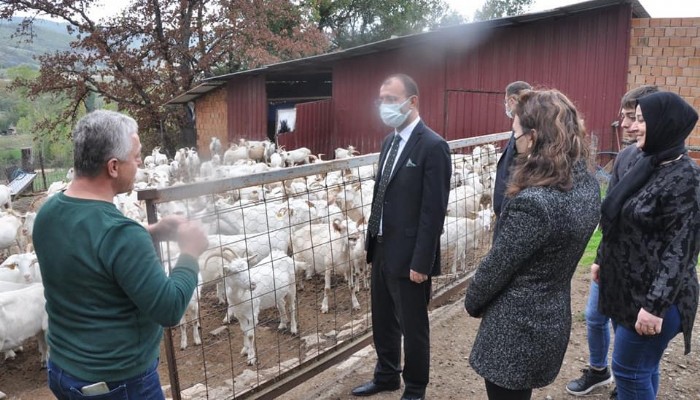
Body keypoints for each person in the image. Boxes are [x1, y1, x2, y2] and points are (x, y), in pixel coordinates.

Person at [33, 110, 209, 399]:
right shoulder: (121, 234)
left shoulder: (49, 213)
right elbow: (169, 309)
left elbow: (90, 251)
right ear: (113, 166)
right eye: (136, 156)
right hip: (118, 384)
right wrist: (190, 252)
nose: (140, 162)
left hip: (64, 370)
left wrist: (148, 232)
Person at [464, 89, 601, 400]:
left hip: (515, 329)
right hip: (551, 315)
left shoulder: (535, 204)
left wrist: (472, 300)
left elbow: (498, 265)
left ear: (535, 136)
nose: (515, 142)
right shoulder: (587, 185)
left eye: (517, 134)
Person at [351, 74, 451, 400]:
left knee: (413, 326)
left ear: (412, 102)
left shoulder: (433, 146)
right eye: (382, 99)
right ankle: (386, 375)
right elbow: (384, 192)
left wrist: (422, 260)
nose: (385, 105)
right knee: (382, 320)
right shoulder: (389, 142)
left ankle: (416, 387)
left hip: (410, 256)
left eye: (392, 99)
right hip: (381, 247)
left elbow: (433, 211)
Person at [596, 91, 700, 400]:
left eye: (642, 120)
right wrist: (602, 258)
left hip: (656, 300)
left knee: (630, 371)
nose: (633, 126)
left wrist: (654, 308)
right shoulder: (649, 165)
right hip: (627, 290)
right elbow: (619, 219)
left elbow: (680, 251)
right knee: (643, 368)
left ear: (665, 125)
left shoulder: (687, 178)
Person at [566, 85, 659, 398]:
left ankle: (629, 382)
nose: (626, 124)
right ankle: (599, 370)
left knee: (636, 343)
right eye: (625, 116)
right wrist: (600, 257)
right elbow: (611, 214)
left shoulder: (669, 166)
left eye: (634, 117)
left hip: (641, 273)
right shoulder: (627, 156)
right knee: (594, 316)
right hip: (612, 259)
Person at [493, 81, 532, 221]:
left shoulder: (525, 129)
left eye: (506, 101)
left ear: (512, 100)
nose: (506, 106)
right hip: (508, 206)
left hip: (510, 208)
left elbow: (518, 167)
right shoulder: (525, 124)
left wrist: (506, 209)